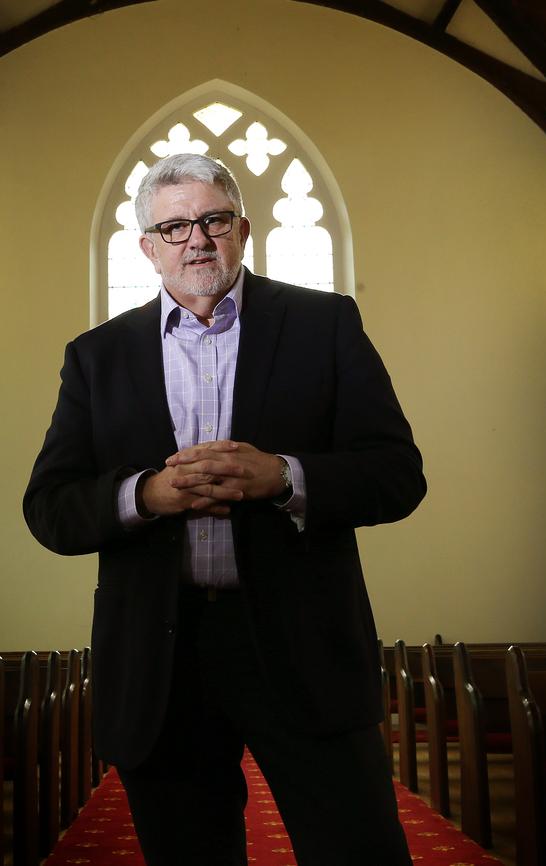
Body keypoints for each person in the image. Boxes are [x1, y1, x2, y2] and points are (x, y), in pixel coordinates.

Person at [24, 153, 426, 866]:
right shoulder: (97, 356)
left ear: (242, 228)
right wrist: (145, 495)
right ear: (148, 247)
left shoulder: (324, 324)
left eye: (211, 220)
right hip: (162, 660)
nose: (196, 240)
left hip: (303, 647)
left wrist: (282, 477)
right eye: (174, 227)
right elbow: (49, 508)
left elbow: (397, 476)